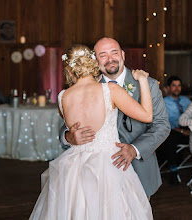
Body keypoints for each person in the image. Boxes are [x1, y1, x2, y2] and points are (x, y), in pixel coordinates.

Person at [29, 44, 154, 219]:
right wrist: (142, 80)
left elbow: (71, 126)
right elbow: (147, 116)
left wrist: (69, 137)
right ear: (92, 63)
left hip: (73, 169)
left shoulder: (62, 97)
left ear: (70, 69)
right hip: (109, 166)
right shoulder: (110, 90)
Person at [59, 37, 170, 197]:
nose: (110, 59)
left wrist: (135, 149)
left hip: (139, 168)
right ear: (94, 61)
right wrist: (69, 137)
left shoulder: (148, 84)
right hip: (94, 173)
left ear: (123, 55)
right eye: (103, 54)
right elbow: (66, 126)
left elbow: (162, 125)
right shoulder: (84, 87)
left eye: (114, 52)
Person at [156, 76, 191, 184]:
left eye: (179, 85)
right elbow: (164, 122)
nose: (177, 88)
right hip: (173, 130)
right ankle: (173, 170)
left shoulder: (186, 101)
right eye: (174, 86)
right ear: (168, 88)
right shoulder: (163, 102)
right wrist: (181, 131)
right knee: (169, 136)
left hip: (191, 130)